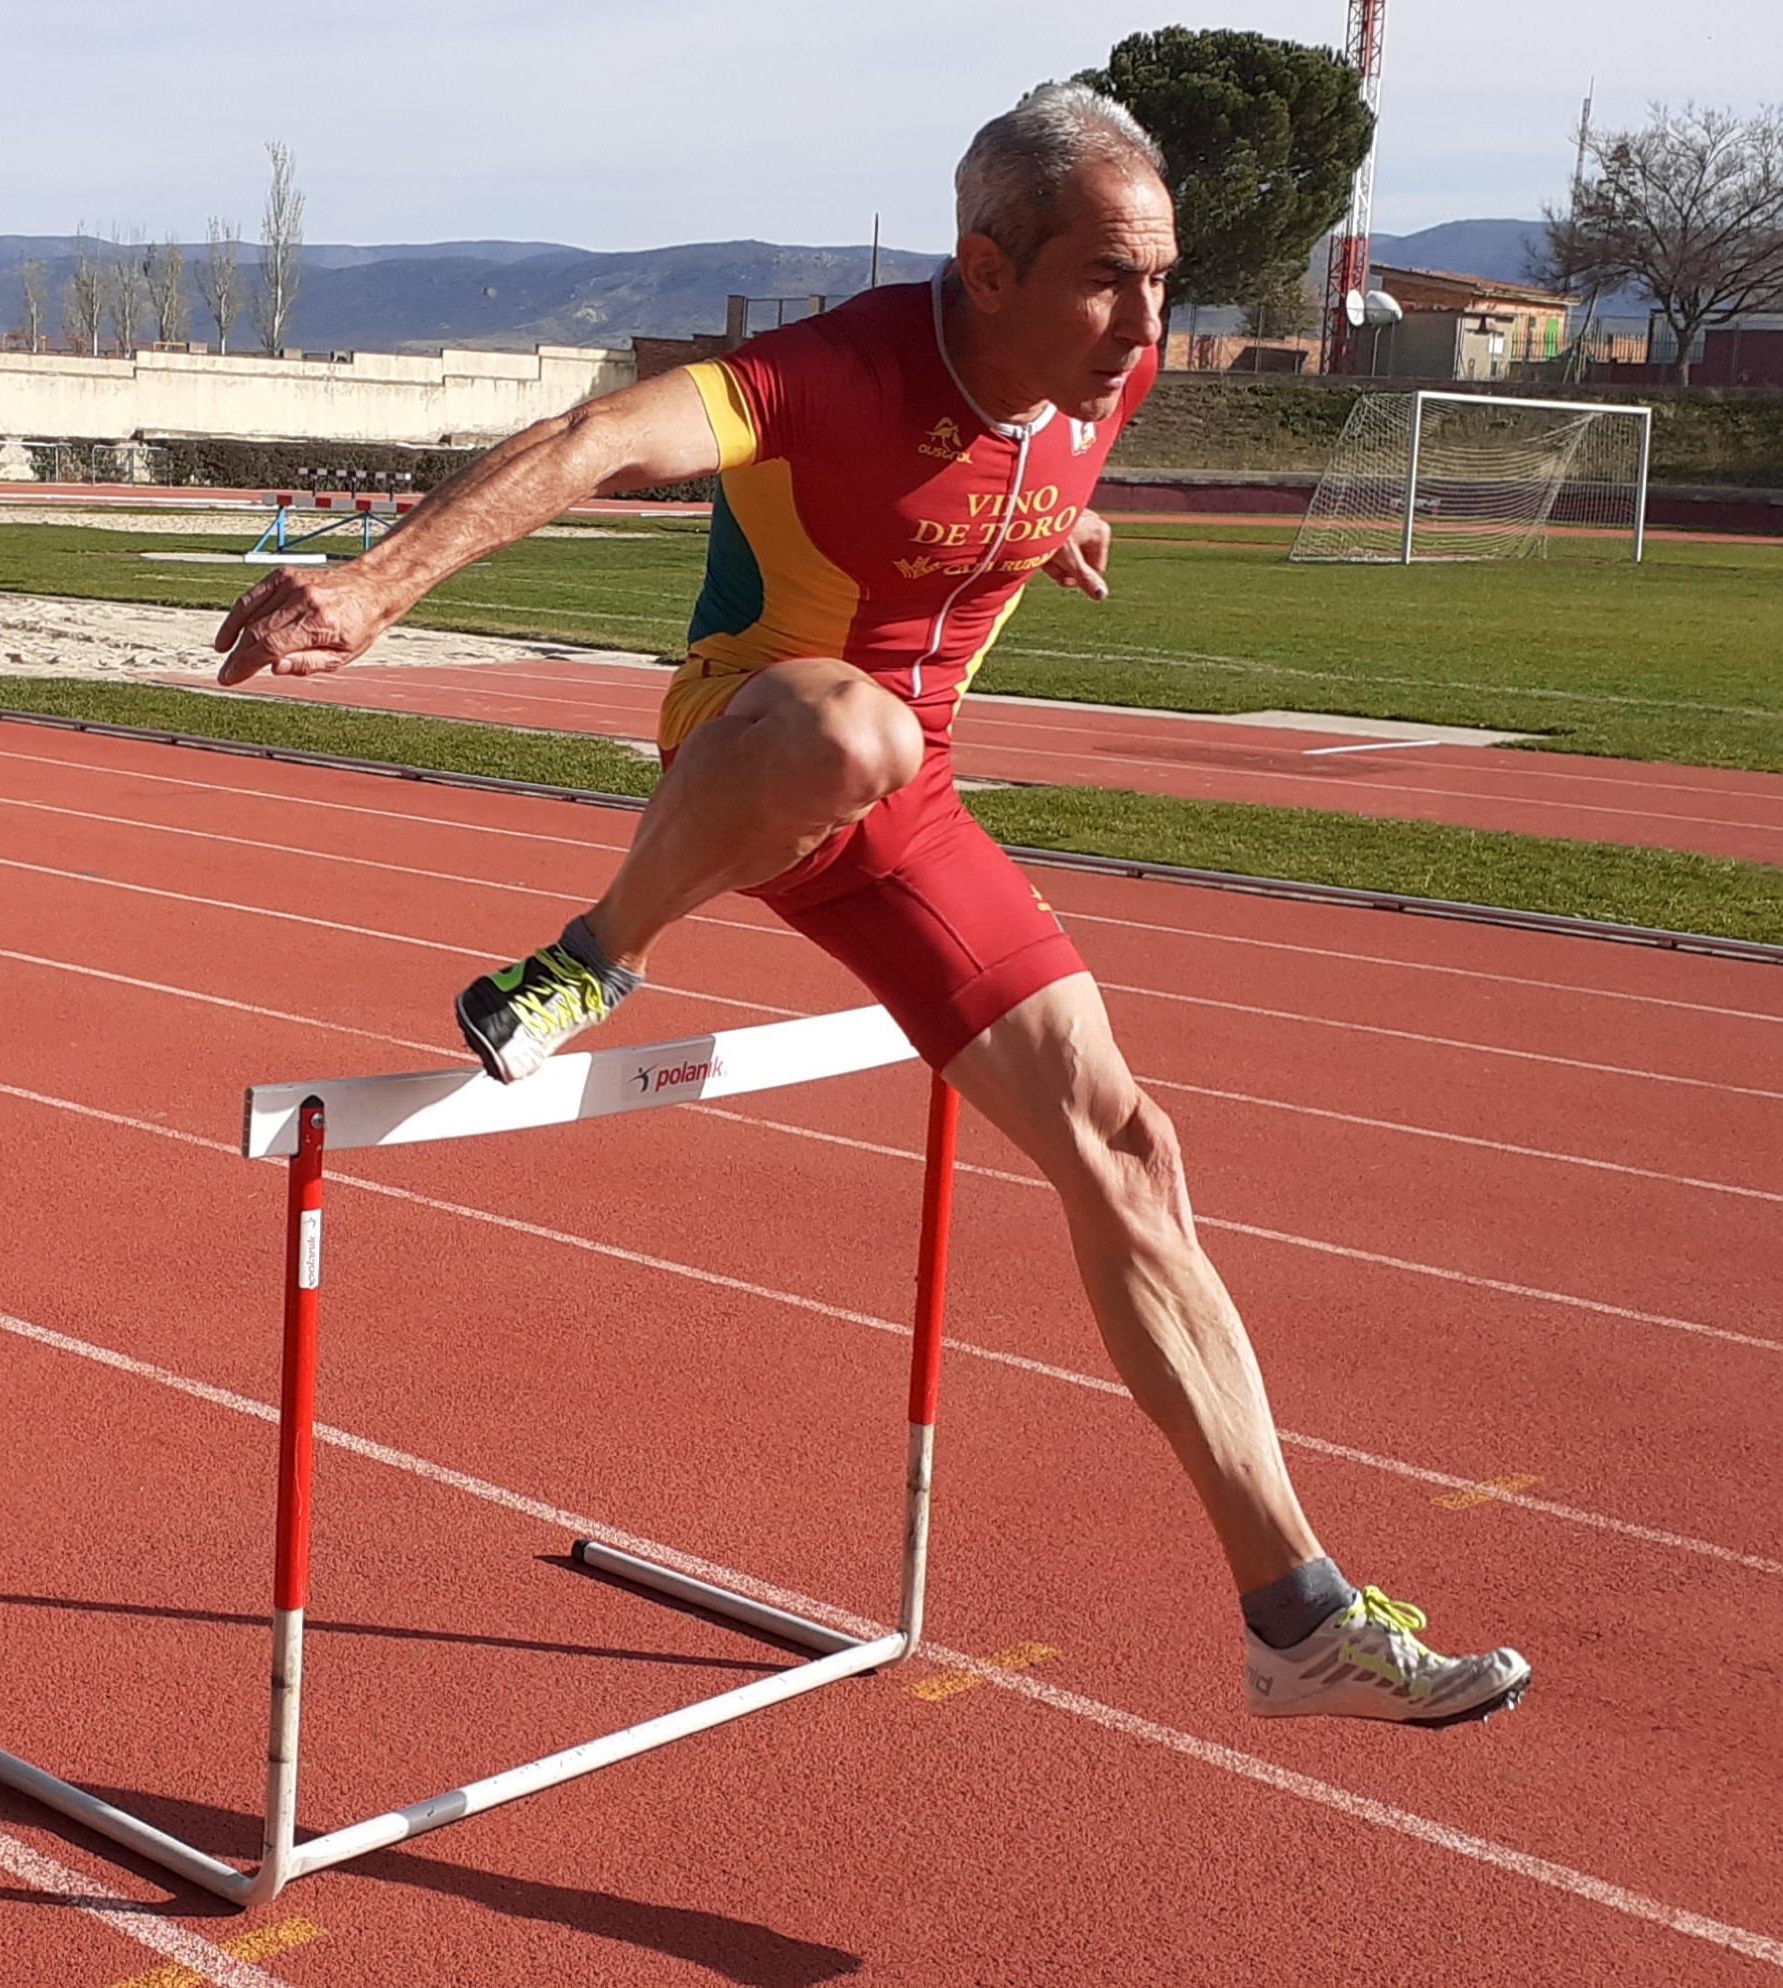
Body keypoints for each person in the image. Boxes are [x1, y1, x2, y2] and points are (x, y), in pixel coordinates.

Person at [214, 84, 1530, 1727]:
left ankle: (1296, 1613)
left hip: (907, 819)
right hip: (754, 752)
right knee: (851, 725)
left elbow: (999, 475)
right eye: (1112, 279)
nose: (1149, 323)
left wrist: (1057, 522)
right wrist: (374, 584)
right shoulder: (830, 370)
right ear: (984, 266)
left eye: (1166, 278)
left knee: (1128, 1149)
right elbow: (594, 441)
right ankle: (593, 955)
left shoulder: (1085, 387)